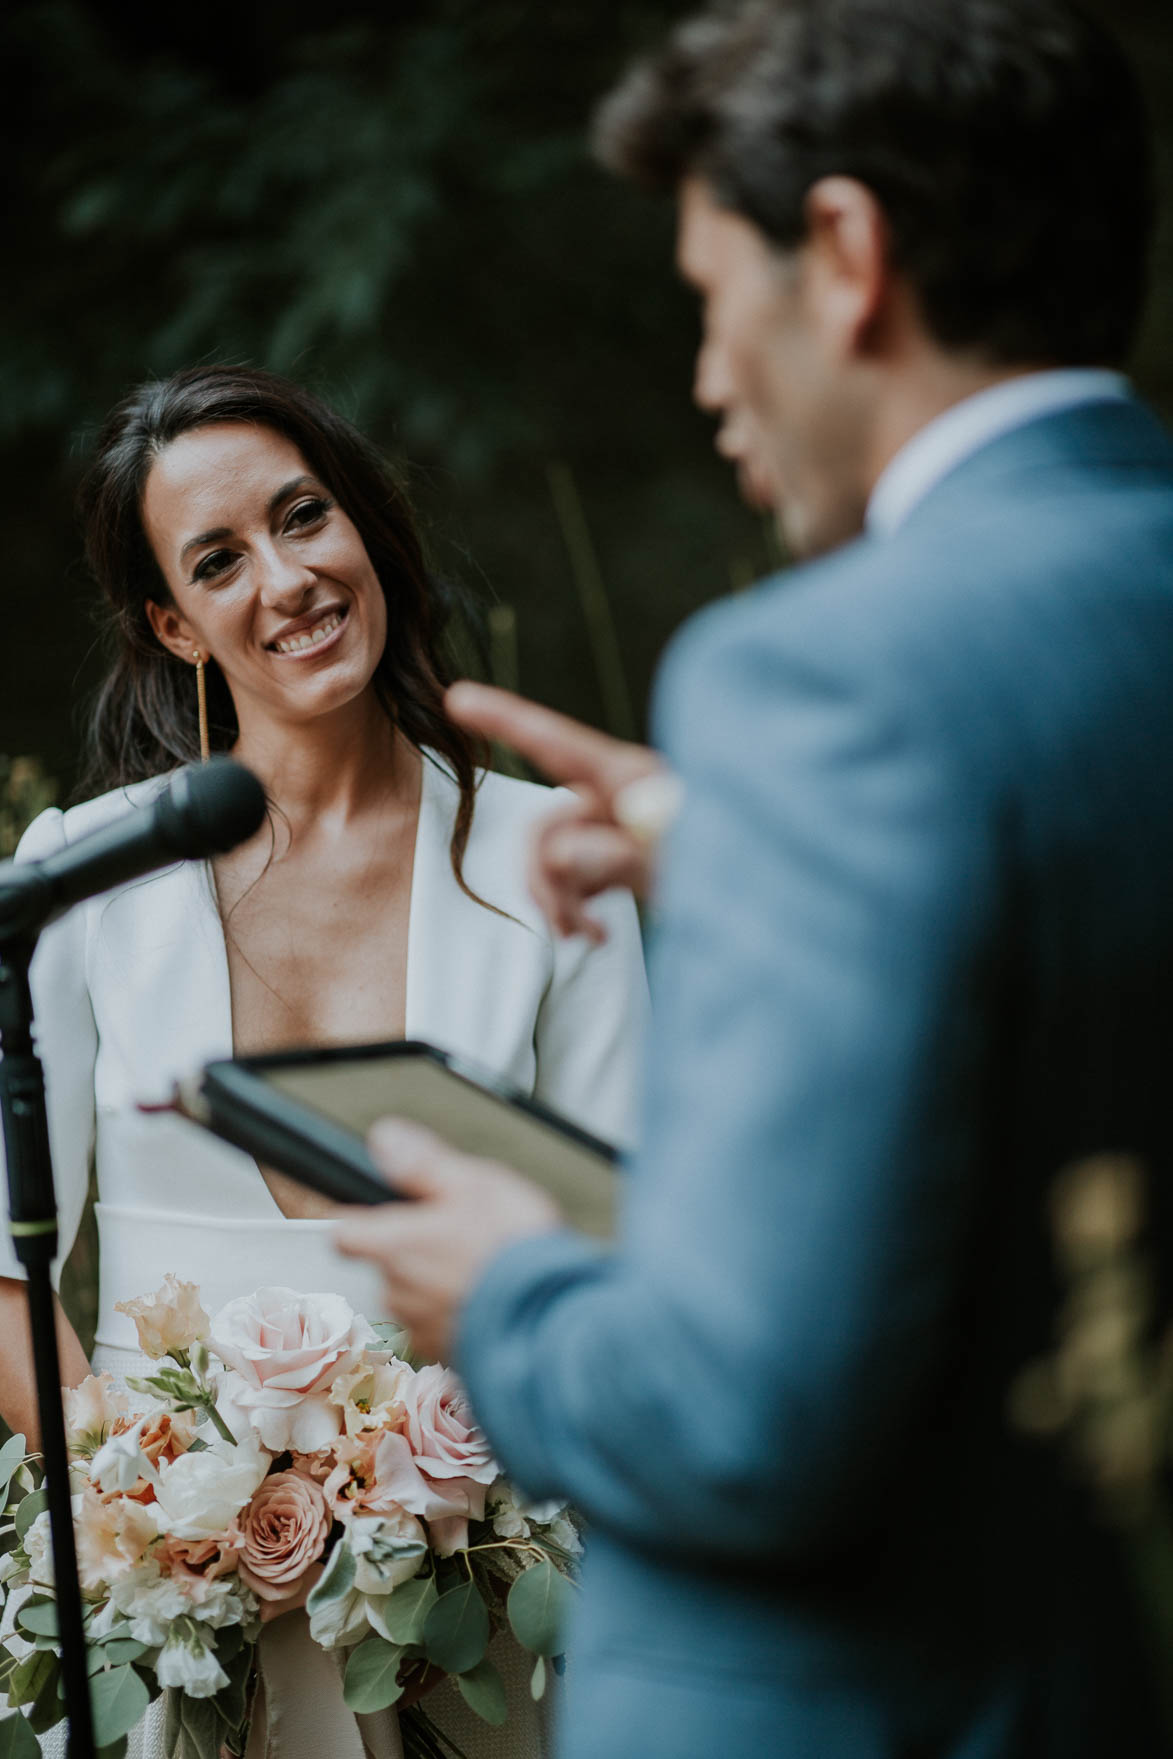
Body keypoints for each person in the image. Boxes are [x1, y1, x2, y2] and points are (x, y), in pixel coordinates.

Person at [334, 2, 1173, 1755]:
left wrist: (507, 1286)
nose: (710, 376)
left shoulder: (823, 675)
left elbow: (741, 1418)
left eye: (714, 298)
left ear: (847, 255)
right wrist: (723, 843)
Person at [0, 363, 649, 1759]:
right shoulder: (77, 878)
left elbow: (623, 1240)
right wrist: (145, 1503)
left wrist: (456, 1496)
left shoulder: (550, 858)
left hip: (483, 1617)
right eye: (221, 559)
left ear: (363, 524)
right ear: (171, 622)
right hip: (177, 1625)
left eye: (306, 517)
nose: (287, 578)